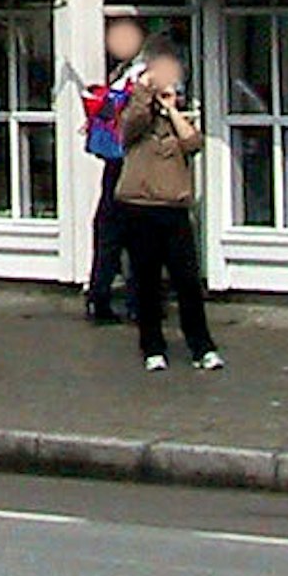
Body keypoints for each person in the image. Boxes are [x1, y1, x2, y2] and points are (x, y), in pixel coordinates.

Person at [112, 45, 217, 372]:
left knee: (187, 281)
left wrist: (171, 110)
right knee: (146, 282)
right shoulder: (135, 119)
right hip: (138, 208)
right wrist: (144, 91)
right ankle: (152, 347)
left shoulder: (175, 122)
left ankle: (201, 347)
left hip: (173, 209)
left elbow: (193, 143)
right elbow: (129, 128)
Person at [81, 10, 147, 325]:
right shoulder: (140, 74)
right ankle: (136, 301)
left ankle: (100, 295)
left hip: (116, 160)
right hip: (135, 160)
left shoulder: (124, 72)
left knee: (109, 228)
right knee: (138, 232)